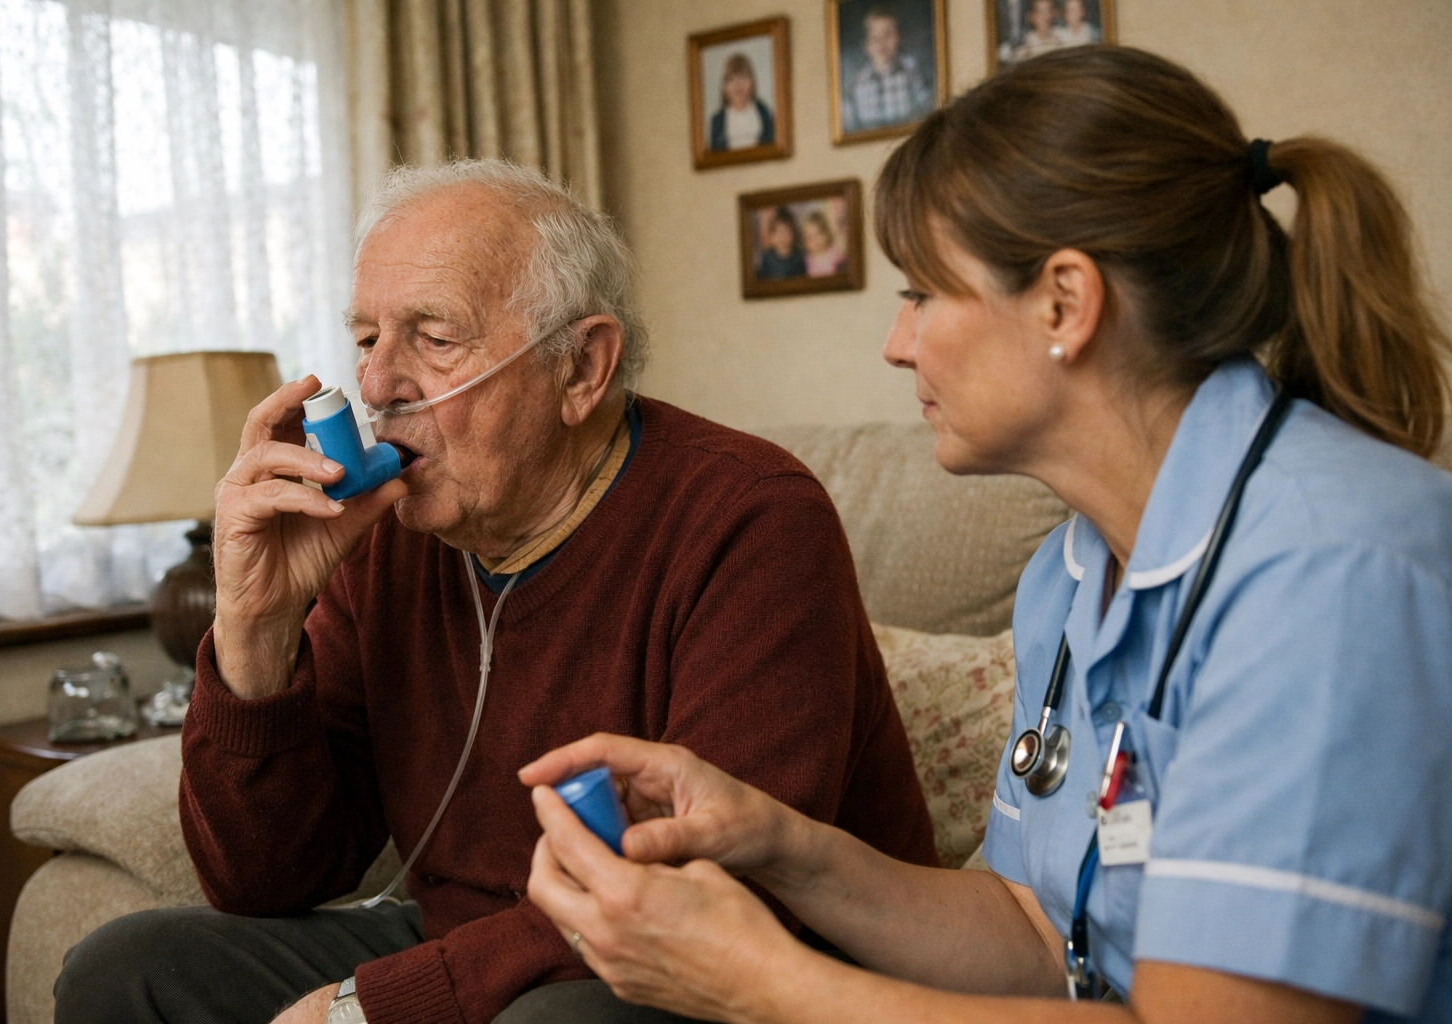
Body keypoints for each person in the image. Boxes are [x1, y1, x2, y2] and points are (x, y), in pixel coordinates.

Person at [517, 46, 1452, 1023]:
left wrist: (765, 983)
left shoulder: (1332, 573)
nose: (896, 342)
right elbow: (1037, 932)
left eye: (922, 290)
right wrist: (776, 843)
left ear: (1065, 303)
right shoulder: (1069, 575)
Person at [51, 160, 940, 1024]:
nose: (375, 386)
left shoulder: (750, 518)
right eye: (367, 340)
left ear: (581, 370)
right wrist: (258, 630)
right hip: (473, 950)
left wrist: (372, 1008)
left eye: (434, 338)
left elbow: (699, 886)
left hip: (716, 969)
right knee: (129, 971)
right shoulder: (387, 535)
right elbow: (266, 878)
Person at [843, 3, 933, 133]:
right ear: (866, 45)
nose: (881, 43)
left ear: (899, 37)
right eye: (875, 37)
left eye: (888, 35)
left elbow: (927, 111)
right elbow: (852, 127)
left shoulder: (912, 72)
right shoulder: (856, 84)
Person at [708, 52, 774, 152]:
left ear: (752, 82)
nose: (738, 86)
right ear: (724, 87)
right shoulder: (717, 121)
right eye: (731, 80)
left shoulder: (764, 113)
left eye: (743, 78)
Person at [755, 207, 806, 279]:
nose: (782, 237)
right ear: (771, 236)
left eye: (786, 232)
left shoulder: (799, 257)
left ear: (793, 234)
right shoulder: (766, 258)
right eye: (778, 232)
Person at [802, 211, 847, 278]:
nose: (815, 240)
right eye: (810, 237)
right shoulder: (806, 261)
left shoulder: (835, 253)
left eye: (818, 234)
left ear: (826, 233)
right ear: (805, 242)